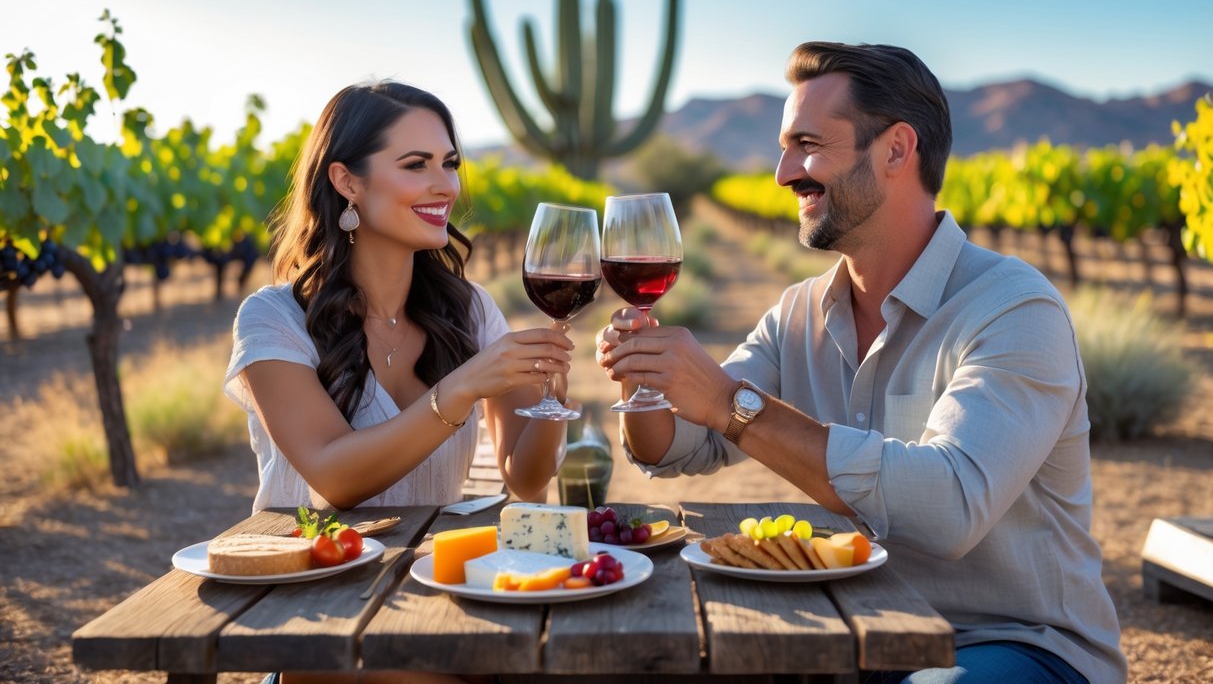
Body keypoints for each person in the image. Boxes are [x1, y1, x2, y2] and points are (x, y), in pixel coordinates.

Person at [596, 42, 1126, 684]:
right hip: (856, 629)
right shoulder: (799, 312)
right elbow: (681, 448)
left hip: (1009, 645)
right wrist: (645, 376)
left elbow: (950, 507)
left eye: (808, 144)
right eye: (784, 148)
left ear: (897, 150)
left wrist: (732, 404)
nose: (784, 173)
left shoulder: (1015, 311)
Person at [226, 80, 571, 684]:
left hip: (434, 595)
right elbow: (336, 477)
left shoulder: (469, 310)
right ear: (347, 182)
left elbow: (526, 476)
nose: (445, 185)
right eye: (416, 165)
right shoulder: (274, 318)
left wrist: (549, 399)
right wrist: (458, 390)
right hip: (314, 611)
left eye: (450, 163)